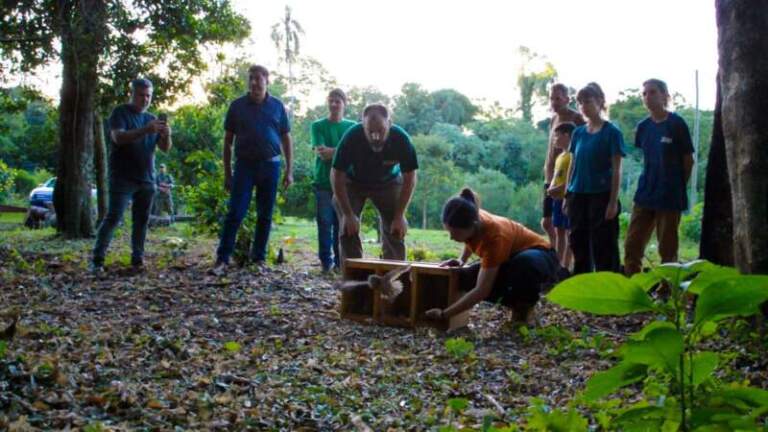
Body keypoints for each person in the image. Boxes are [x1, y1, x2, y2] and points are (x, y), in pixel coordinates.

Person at [425, 189, 559, 323]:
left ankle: (523, 307)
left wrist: (444, 315)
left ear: (473, 226)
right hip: (509, 259)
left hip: (542, 256)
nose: (451, 238)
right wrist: (461, 260)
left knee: (524, 265)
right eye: (449, 231)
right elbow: (469, 239)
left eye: (455, 233)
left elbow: (482, 290)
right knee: (464, 278)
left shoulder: (494, 236)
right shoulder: (472, 215)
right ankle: (515, 298)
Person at [214, 65, 293, 269]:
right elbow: (227, 141)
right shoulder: (237, 106)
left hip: (271, 166)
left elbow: (286, 138)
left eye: (258, 78)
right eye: (251, 78)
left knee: (265, 215)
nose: (254, 82)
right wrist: (227, 173)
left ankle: (258, 258)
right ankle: (223, 258)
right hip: (244, 166)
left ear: (267, 81)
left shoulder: (277, 106)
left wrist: (289, 170)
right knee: (235, 212)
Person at [92, 78, 172, 272]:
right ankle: (97, 260)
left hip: (146, 177)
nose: (145, 99)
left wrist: (166, 134)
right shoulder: (120, 113)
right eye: (141, 95)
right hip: (122, 177)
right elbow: (117, 137)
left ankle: (137, 259)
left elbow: (164, 148)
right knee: (114, 217)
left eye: (148, 96)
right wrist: (147, 130)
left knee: (141, 220)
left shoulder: (151, 118)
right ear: (132, 94)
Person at [331, 103, 418, 268]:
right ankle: (355, 281)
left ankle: (392, 280)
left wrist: (400, 215)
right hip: (353, 182)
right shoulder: (351, 136)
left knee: (395, 230)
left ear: (389, 124)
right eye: (371, 132)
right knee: (348, 230)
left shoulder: (401, 139)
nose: (376, 137)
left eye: (380, 131)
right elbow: (336, 175)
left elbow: (410, 178)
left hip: (389, 183)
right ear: (362, 125)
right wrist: (348, 215)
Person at [624, 79, 694, 275]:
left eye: (652, 92)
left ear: (665, 95)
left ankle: (666, 292)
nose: (647, 97)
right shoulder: (643, 127)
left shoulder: (676, 124)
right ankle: (633, 288)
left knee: (668, 250)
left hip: (670, 196)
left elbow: (688, 160)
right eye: (644, 93)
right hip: (645, 193)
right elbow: (645, 157)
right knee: (632, 244)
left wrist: (679, 186)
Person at [563, 82, 625, 274]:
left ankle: (609, 285)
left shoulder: (612, 132)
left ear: (600, 101)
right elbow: (573, 164)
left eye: (588, 101)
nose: (583, 106)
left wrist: (613, 203)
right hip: (578, 194)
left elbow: (617, 169)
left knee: (604, 243)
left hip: (602, 194)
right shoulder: (578, 132)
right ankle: (582, 283)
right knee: (578, 241)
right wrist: (567, 194)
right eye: (580, 102)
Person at [311, 89, 356, 273]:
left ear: (345, 103)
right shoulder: (318, 125)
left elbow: (355, 153)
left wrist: (335, 152)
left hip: (346, 184)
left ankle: (340, 263)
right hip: (323, 181)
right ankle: (325, 263)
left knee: (342, 224)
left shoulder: (352, 127)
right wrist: (343, 151)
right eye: (331, 100)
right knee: (324, 222)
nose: (334, 104)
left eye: (338, 101)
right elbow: (322, 153)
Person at [541, 84, 585, 244]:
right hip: (550, 176)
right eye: (551, 98)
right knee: (547, 222)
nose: (554, 102)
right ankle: (555, 253)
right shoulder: (553, 118)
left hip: (565, 177)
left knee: (563, 225)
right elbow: (551, 148)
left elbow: (581, 147)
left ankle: (564, 259)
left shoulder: (576, 118)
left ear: (567, 99)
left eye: (558, 98)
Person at [547, 122, 576, 270]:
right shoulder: (560, 157)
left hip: (567, 199)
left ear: (566, 135)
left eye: (557, 136)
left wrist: (559, 189)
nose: (554, 140)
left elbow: (570, 179)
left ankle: (566, 264)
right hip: (556, 200)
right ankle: (557, 264)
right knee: (559, 231)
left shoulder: (572, 155)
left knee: (570, 231)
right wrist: (551, 188)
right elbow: (557, 176)